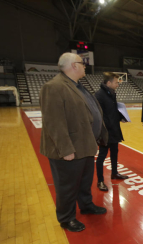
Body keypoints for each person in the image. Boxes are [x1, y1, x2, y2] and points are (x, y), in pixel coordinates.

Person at [40, 53, 108, 232]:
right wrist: (65, 149)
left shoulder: (77, 86)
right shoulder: (53, 87)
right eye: (82, 63)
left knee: (85, 181)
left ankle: (86, 205)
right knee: (67, 186)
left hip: (85, 145)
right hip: (69, 148)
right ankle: (66, 218)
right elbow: (53, 122)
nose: (85, 66)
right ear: (73, 66)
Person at [95, 72, 129, 192]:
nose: (118, 84)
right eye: (116, 82)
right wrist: (106, 129)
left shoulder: (111, 93)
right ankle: (100, 181)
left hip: (114, 130)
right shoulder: (99, 95)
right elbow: (99, 116)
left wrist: (121, 117)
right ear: (108, 83)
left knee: (115, 152)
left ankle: (114, 173)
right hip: (105, 132)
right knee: (102, 156)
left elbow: (112, 111)